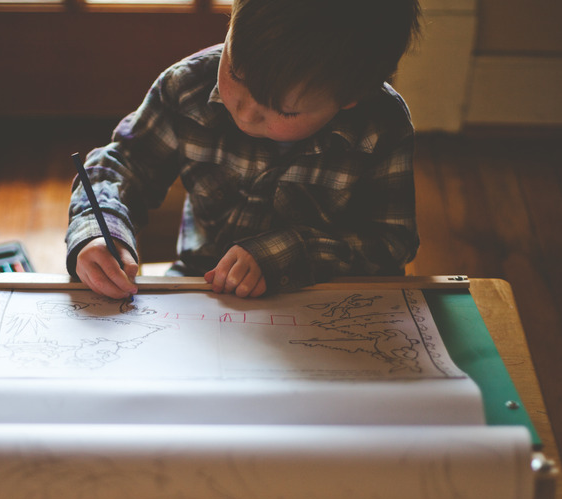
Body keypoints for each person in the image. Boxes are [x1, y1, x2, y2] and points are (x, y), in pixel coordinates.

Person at [67, 0, 421, 299]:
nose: (244, 111)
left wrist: (289, 253)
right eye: (236, 72)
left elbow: (391, 242)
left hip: (322, 299)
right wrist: (100, 228)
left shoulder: (381, 127)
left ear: (349, 98)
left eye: (283, 110)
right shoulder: (186, 86)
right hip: (199, 288)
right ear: (233, 17)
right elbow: (124, 164)